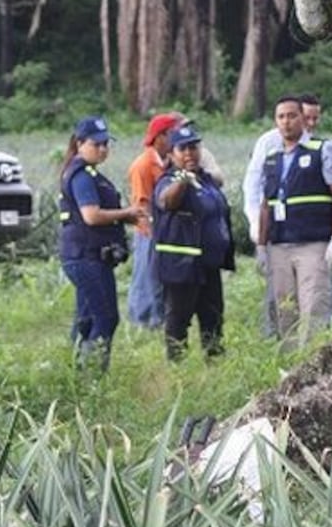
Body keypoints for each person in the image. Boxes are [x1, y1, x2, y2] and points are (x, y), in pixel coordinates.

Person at [257, 95, 332, 350]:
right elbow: (266, 204)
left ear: (302, 118)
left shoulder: (322, 149)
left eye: (291, 115)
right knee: (284, 309)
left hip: (313, 244)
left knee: (314, 305)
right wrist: (262, 246)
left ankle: (311, 363)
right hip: (280, 245)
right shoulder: (272, 158)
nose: (286, 122)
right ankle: (288, 366)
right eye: (281, 117)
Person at [58, 116, 145, 371]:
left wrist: (125, 218)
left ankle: (75, 373)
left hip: (88, 256)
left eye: (106, 143)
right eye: (97, 144)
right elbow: (92, 216)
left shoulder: (88, 172)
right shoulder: (82, 175)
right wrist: (126, 213)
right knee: (106, 317)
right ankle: (94, 378)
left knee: (86, 319)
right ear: (80, 143)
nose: (103, 149)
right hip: (86, 257)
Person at [242, 95, 325, 337]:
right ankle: (275, 338)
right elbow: (254, 186)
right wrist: (257, 228)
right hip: (274, 230)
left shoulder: (318, 146)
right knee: (278, 295)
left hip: (308, 234)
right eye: (305, 117)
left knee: (312, 294)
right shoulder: (269, 143)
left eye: (314, 119)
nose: (309, 123)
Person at [152, 123, 236, 361]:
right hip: (182, 266)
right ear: (171, 154)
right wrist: (183, 182)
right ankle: (177, 371)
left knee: (213, 320)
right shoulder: (170, 180)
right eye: (182, 149)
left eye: (193, 147)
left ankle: (215, 365)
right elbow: (166, 201)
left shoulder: (206, 179)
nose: (189, 153)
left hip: (208, 266)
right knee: (178, 321)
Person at [126, 112, 179, 329]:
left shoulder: (166, 162)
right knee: (146, 276)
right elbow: (141, 203)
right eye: (172, 134)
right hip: (149, 230)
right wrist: (151, 231)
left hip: (164, 229)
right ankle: (143, 321)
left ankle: (159, 318)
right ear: (160, 137)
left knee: (160, 277)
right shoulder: (144, 165)